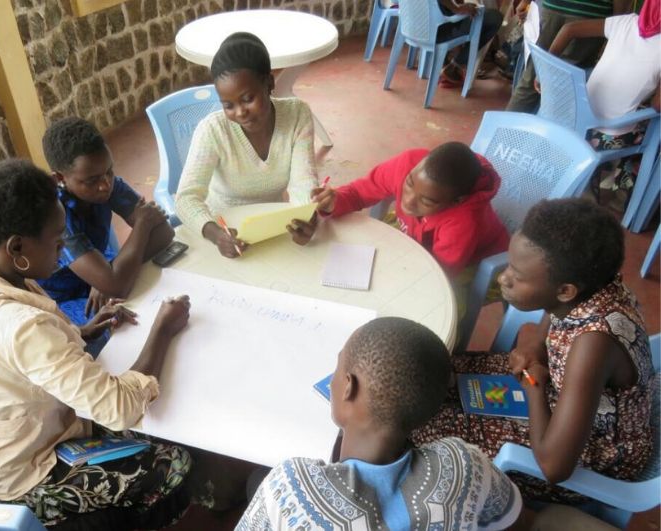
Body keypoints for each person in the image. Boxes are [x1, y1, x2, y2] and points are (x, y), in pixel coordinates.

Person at [0, 159, 192, 529]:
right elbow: (121, 407)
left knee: (159, 421)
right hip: (16, 477)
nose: (63, 247)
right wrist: (162, 327)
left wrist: (80, 331)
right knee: (175, 462)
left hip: (6, 442)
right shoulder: (22, 326)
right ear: (16, 247)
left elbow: (17, 354)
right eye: (57, 238)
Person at [412, 198, 654, 503]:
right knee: (434, 373)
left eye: (517, 274)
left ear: (566, 290)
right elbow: (554, 314)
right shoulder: (586, 286)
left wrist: (534, 388)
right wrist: (534, 347)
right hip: (564, 396)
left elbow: (554, 466)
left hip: (597, 451)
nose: (503, 278)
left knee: (424, 430)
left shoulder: (592, 345)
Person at [237, 317, 522, 530]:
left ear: (348, 386)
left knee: (254, 481)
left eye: (338, 366)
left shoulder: (288, 488)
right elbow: (506, 514)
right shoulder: (464, 463)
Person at [175, 32, 318, 258]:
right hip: (223, 230)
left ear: (269, 83)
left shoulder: (297, 115)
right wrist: (216, 234)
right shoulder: (213, 130)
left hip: (272, 228)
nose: (240, 112)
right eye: (228, 105)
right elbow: (185, 199)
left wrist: (305, 218)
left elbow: (303, 183)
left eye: (248, 99)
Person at [312, 142, 509, 288]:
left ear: (456, 201)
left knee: (446, 307)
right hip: (416, 237)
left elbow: (439, 275)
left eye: (426, 201)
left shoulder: (464, 223)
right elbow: (359, 192)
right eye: (408, 184)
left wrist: (391, 276)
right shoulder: (407, 163)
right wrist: (334, 201)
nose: (408, 201)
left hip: (467, 262)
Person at [38, 117, 174, 326]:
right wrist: (142, 224)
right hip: (62, 297)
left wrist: (110, 274)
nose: (105, 185)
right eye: (91, 180)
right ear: (60, 179)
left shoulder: (107, 184)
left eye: (109, 171)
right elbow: (117, 285)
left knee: (163, 294)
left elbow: (164, 233)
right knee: (124, 322)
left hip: (102, 266)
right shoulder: (56, 217)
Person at [545, 0, 660, 192]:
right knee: (655, 134)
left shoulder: (625, 22)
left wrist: (549, 65)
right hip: (606, 135)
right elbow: (657, 106)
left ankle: (598, 173)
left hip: (574, 118)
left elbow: (569, 29)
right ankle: (621, 186)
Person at [506, 0, 632, 112]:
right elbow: (621, 10)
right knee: (565, 85)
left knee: (534, 74)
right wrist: (616, 27)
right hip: (588, 15)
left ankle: (505, 133)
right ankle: (545, 134)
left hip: (553, 7)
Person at [437, 0, 505, 87]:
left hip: (419, 29)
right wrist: (457, 9)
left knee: (476, 11)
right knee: (495, 17)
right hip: (441, 28)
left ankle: (453, 64)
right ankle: (457, 65)